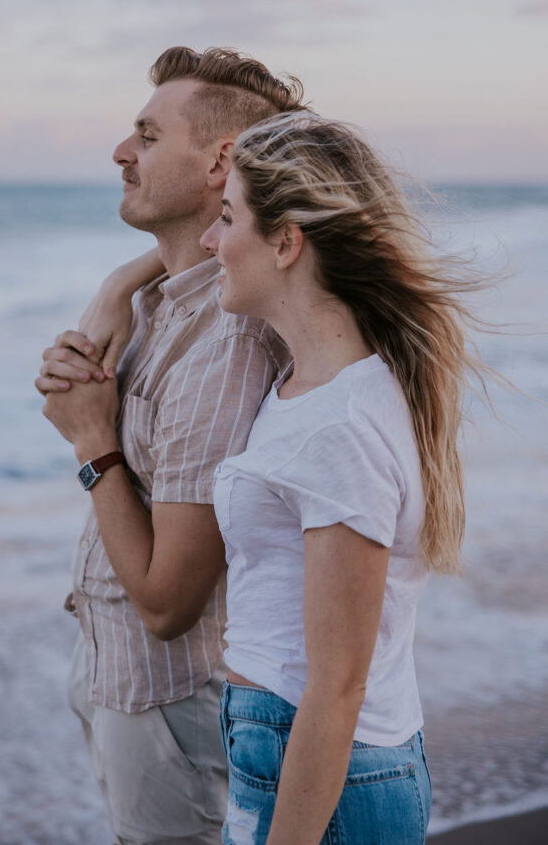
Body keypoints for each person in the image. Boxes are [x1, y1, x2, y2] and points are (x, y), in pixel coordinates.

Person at [36, 46, 302, 845]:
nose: (122, 152)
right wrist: (121, 281)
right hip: (118, 675)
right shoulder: (164, 297)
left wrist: (90, 439)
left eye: (147, 136)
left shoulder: (227, 345)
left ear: (222, 160)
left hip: (171, 702)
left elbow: (167, 602)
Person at [193, 109, 477, 845]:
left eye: (226, 218)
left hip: (325, 774)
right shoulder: (309, 386)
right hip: (299, 758)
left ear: (286, 241)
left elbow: (337, 685)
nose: (209, 241)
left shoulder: (337, 426)